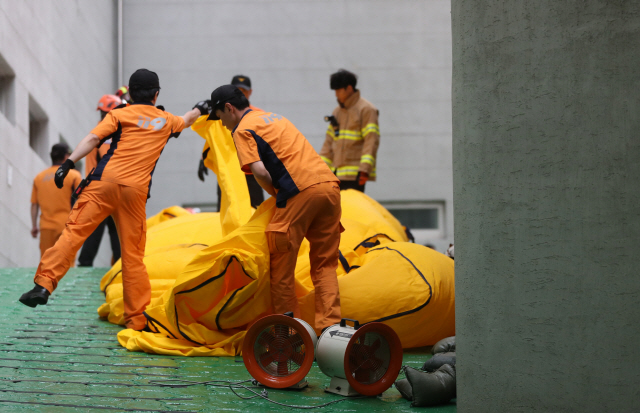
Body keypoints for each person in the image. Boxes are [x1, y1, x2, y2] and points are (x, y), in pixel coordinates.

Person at [19, 69, 207, 331]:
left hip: (103, 185)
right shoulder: (166, 120)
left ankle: (44, 284)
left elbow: (95, 138)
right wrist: (200, 108)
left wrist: (70, 162)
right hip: (135, 192)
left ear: (129, 93)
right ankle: (136, 318)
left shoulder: (118, 114)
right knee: (132, 256)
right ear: (156, 94)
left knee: (73, 235)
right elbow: (187, 120)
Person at [209, 84, 342, 331]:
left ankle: (292, 336)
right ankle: (330, 331)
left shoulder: (242, 130)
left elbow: (259, 171)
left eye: (219, 117)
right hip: (330, 188)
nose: (222, 123)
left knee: (281, 270)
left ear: (228, 108)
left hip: (300, 193)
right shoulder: (275, 117)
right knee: (325, 266)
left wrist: (277, 195)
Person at [198, 74, 265, 210]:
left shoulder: (259, 115)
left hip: (251, 173)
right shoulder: (224, 113)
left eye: (244, 91)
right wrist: (203, 158)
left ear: (250, 92)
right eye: (237, 90)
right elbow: (215, 137)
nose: (241, 94)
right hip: (228, 172)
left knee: (256, 212)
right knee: (226, 211)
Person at [77, 94, 122, 267]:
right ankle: (87, 264)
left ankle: (117, 265)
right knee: (100, 228)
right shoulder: (99, 134)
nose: (103, 117)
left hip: (113, 189)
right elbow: (91, 164)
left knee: (113, 229)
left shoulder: (118, 132)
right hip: (103, 189)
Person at [320, 69, 380, 192]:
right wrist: (321, 171)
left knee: (353, 210)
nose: (336, 94)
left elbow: (371, 141)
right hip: (335, 175)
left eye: (338, 90)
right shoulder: (337, 112)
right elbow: (328, 143)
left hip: (356, 175)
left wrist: (364, 170)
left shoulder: (366, 110)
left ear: (349, 88)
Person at [30, 143, 83, 258]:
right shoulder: (74, 175)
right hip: (66, 226)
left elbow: (34, 205)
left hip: (46, 228)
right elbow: (82, 199)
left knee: (46, 263)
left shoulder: (39, 177)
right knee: (66, 262)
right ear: (65, 157)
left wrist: (34, 226)